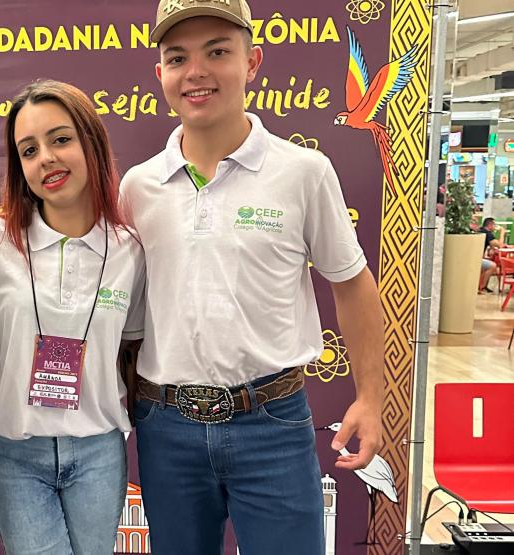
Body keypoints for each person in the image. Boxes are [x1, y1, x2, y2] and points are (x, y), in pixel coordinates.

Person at [118, 2, 386, 554]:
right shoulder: (138, 188)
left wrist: (370, 397)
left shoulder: (302, 172)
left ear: (253, 61)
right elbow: (124, 313)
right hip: (166, 429)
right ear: (160, 76)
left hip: (272, 424)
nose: (197, 71)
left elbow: (353, 282)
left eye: (218, 51)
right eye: (178, 57)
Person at [0, 80, 146, 554]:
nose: (46, 158)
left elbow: (132, 354)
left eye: (60, 139)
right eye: (28, 150)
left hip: (99, 450)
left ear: (92, 143)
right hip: (17, 453)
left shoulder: (129, 250)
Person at [478, 217, 501, 293]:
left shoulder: (481, 230)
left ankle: (482, 286)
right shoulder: (488, 233)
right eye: (494, 224)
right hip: (477, 259)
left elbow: (491, 245)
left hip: (474, 256)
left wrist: (491, 248)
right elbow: (499, 245)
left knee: (489, 263)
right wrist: (502, 233)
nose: (495, 227)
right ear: (490, 225)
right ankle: (482, 287)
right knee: (493, 266)